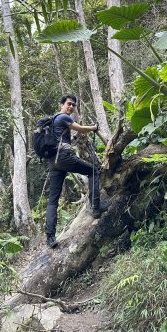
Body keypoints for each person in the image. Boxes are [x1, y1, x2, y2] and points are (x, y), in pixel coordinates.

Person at [45, 94, 109, 248]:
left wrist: (74, 139)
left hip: (53, 162)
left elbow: (67, 137)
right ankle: (96, 208)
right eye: (69, 104)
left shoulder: (53, 121)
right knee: (94, 171)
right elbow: (79, 128)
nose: (71, 107)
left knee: (53, 199)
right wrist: (94, 128)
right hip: (64, 158)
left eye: (73, 105)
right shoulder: (62, 118)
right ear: (61, 104)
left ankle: (50, 237)